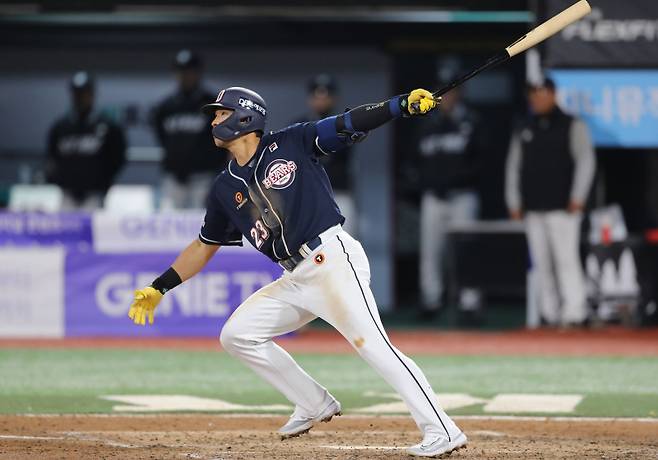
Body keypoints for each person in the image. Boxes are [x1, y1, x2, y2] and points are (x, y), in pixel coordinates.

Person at [128, 86, 467, 457]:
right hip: (295, 277)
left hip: (332, 261)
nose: (213, 120)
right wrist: (160, 287)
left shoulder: (292, 141)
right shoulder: (225, 187)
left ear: (245, 117)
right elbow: (203, 245)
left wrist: (399, 105)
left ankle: (442, 429)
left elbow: (349, 121)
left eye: (220, 113)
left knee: (374, 347)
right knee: (237, 335)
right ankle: (313, 403)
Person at [505, 77, 595, 327]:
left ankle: (574, 313)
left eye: (541, 93)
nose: (536, 98)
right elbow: (514, 166)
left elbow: (585, 162)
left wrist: (578, 197)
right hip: (533, 206)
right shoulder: (524, 126)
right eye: (533, 93)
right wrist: (514, 200)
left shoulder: (571, 124)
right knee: (541, 264)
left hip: (564, 207)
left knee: (566, 260)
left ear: (553, 94)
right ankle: (550, 314)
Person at [414, 71, 484, 316]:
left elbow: (482, 160)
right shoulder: (427, 123)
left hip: (463, 195)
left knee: (467, 250)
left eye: (452, 90)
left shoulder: (471, 121)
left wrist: (459, 179)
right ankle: (430, 301)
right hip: (434, 197)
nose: (448, 96)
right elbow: (416, 161)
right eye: (443, 91)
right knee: (431, 252)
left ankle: (470, 302)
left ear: (460, 93)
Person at [154, 50, 228, 209]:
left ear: (198, 72)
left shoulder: (213, 104)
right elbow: (162, 137)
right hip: (174, 178)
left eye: (189, 71)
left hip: (204, 177)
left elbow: (224, 140)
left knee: (202, 223)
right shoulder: (166, 107)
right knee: (170, 222)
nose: (185, 75)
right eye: (181, 71)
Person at [46, 71, 126, 210]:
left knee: (92, 230)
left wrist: (103, 182)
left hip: (94, 194)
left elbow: (118, 158)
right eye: (77, 93)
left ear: (92, 94)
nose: (80, 98)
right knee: (66, 231)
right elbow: (52, 156)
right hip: (67, 193)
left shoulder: (107, 126)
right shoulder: (61, 127)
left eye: (84, 93)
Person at [293, 75, 357, 235]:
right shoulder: (299, 126)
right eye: (317, 95)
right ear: (310, 98)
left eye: (326, 95)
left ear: (334, 98)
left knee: (344, 241)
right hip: (308, 194)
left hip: (338, 192)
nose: (321, 99)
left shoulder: (344, 123)